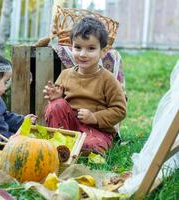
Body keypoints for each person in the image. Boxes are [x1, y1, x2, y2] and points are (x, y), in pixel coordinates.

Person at [43, 17, 127, 154]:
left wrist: (95, 118)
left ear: (103, 51)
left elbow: (120, 110)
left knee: (90, 146)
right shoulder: (65, 75)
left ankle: (76, 148)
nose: (83, 54)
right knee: (55, 106)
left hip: (95, 130)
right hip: (69, 128)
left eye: (91, 49)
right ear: (72, 47)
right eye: (78, 47)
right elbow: (57, 110)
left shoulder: (108, 79)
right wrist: (55, 97)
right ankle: (60, 142)